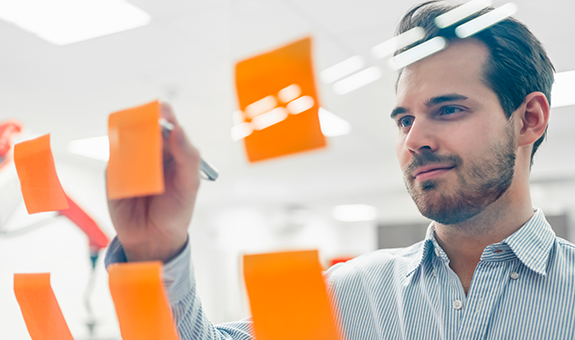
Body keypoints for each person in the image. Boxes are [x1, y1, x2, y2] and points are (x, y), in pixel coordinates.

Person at [105, 1, 575, 339]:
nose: (414, 140)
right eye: (405, 119)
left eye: (448, 109)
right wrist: (155, 253)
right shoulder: (350, 291)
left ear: (528, 119)